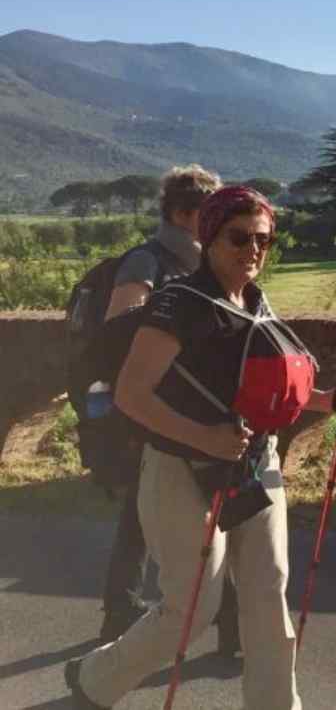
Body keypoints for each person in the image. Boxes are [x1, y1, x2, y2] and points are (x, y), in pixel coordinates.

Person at [65, 185, 336, 710]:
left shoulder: (255, 301)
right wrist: (205, 438)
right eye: (239, 238)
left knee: (267, 594)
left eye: (264, 240)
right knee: (191, 610)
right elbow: (132, 394)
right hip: (179, 469)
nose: (254, 249)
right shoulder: (180, 304)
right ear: (209, 238)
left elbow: (257, 386)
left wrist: (326, 400)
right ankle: (94, 680)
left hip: (255, 463)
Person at [96, 165, 244, 651]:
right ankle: (223, 623)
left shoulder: (199, 263)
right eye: (210, 213)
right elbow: (119, 327)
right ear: (183, 213)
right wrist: (178, 316)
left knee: (182, 514)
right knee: (198, 513)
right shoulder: (148, 260)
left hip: (189, 407)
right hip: (155, 409)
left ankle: (124, 613)